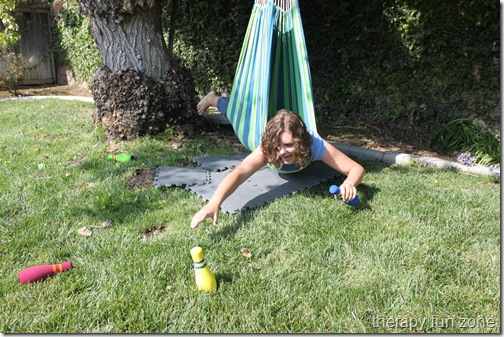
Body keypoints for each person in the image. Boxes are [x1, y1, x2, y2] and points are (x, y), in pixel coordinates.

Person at [191, 91, 365, 229]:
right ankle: (214, 99)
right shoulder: (268, 147)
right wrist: (214, 203)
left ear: (301, 141)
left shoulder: (315, 145)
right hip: (256, 128)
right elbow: (240, 172)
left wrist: (349, 183)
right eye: (278, 146)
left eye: (289, 145)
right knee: (237, 116)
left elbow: (355, 168)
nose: (282, 152)